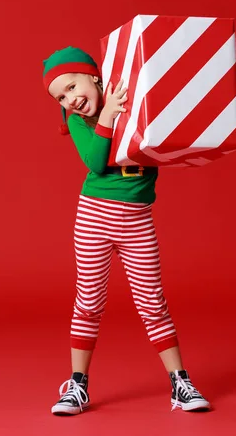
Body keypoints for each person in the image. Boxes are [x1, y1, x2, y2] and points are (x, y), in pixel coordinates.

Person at [42, 46, 211, 416]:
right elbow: (95, 162)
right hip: (93, 218)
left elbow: (168, 133)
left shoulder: (134, 102)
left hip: (137, 220)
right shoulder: (78, 121)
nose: (71, 99)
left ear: (93, 75)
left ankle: (180, 383)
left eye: (72, 86)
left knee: (153, 302)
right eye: (61, 97)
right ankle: (77, 385)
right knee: (89, 301)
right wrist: (105, 116)